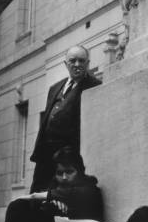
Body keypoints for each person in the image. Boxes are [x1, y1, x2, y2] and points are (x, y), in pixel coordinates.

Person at [4, 147, 104, 222]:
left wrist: (55, 204)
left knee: (17, 205)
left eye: (70, 172)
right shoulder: (55, 186)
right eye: (60, 173)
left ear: (80, 171)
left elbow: (36, 196)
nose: (64, 177)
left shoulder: (89, 189)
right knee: (19, 209)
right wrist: (51, 205)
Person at [30, 45, 101, 193]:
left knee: (57, 197)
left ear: (88, 63)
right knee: (36, 195)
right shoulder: (55, 88)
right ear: (65, 64)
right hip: (44, 155)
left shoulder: (94, 86)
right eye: (72, 61)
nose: (77, 65)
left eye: (81, 61)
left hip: (67, 159)